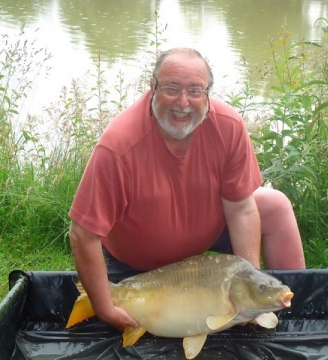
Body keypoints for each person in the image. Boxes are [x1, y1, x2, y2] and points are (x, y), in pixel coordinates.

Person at [68, 47, 305, 331]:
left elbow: (242, 209)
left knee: (275, 205)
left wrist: (248, 287)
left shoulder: (227, 126)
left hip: (204, 234)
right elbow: (83, 233)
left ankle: (296, 312)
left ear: (207, 93)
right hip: (138, 257)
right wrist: (105, 308)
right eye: (171, 88)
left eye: (195, 91)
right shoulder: (119, 145)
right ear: (152, 87)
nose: (183, 103)